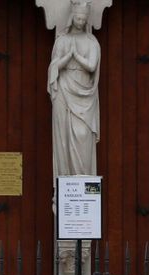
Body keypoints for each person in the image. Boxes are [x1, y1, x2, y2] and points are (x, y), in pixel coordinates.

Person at [47, 0, 100, 178]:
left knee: (83, 133)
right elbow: (54, 67)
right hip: (63, 88)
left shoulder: (92, 42)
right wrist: (67, 57)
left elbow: (92, 66)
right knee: (63, 136)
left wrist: (76, 56)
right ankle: (64, 181)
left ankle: (83, 179)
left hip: (84, 93)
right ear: (72, 17)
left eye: (83, 19)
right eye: (77, 18)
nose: (80, 21)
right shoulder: (63, 40)